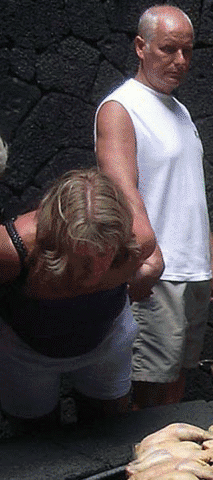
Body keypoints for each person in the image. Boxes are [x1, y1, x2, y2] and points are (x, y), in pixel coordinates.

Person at [95, 4, 213, 409]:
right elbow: (122, 192)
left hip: (191, 270)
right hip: (156, 271)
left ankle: (173, 467)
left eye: (187, 51)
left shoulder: (180, 110)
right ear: (140, 46)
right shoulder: (120, 108)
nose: (180, 61)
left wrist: (212, 258)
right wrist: (148, 259)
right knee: (148, 388)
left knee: (175, 382)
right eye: (169, 49)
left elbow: (188, 191)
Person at [0, 169, 146, 426]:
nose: (97, 270)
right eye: (84, 258)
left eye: (106, 255)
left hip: (106, 337)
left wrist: (143, 277)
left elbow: (150, 271)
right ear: (58, 241)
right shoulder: (14, 252)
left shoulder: (139, 242)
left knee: (109, 427)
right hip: (26, 349)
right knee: (35, 440)